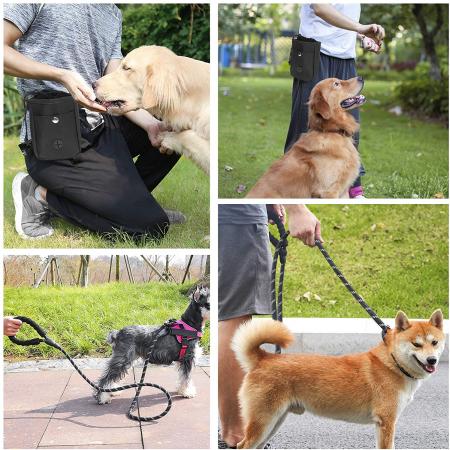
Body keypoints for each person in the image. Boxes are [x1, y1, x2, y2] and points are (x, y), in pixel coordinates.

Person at [4, 4, 185, 240]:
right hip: (56, 133)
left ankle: (135, 205)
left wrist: (151, 125)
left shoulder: (112, 11)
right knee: (150, 228)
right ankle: (40, 196)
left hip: (102, 122)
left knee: (178, 126)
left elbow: (114, 82)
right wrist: (60, 75)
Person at [218, 204, 323, 448]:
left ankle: (233, 430)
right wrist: (298, 209)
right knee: (236, 316)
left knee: (231, 314)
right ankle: (235, 436)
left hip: (234, 214)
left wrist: (267, 202)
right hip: (238, 217)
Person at [284, 3, 385, 199]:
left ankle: (353, 189)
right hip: (314, 51)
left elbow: (340, 18)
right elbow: (319, 7)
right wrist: (360, 27)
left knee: (347, 124)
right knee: (306, 123)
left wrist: (361, 36)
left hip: (345, 56)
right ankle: (292, 184)